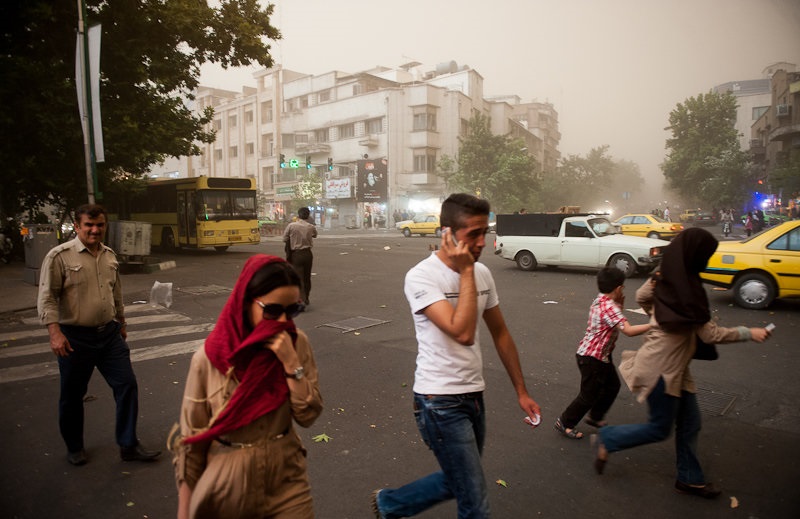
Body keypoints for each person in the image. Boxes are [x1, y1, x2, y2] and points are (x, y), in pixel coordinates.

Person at [371, 193, 541, 519]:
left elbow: (501, 333)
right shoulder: (421, 276)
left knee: (459, 480)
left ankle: (390, 504)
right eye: (473, 234)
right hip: (438, 401)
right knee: (475, 502)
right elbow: (462, 333)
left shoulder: (482, 273)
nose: (482, 243)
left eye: (485, 232)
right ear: (447, 233)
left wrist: (522, 391)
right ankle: (390, 504)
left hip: (474, 395)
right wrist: (465, 273)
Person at [592, 228, 771, 498]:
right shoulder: (686, 293)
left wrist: (660, 315)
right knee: (659, 428)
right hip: (661, 371)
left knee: (690, 423)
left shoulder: (666, 277)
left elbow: (642, 297)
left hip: (675, 368)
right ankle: (608, 439)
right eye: (706, 255)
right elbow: (710, 334)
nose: (707, 260)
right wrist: (750, 332)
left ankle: (689, 478)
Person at [171, 255, 323, 519]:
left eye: (292, 311)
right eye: (272, 311)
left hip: (287, 478)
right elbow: (191, 444)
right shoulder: (208, 359)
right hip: (227, 483)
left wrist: (291, 365)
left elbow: (308, 414)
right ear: (246, 302)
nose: (283, 321)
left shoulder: (297, 344)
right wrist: (184, 513)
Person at [37, 203, 161, 466]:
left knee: (126, 384)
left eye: (100, 225)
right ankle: (75, 447)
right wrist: (54, 333)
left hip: (109, 335)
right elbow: (47, 298)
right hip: (74, 338)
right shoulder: (59, 256)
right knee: (72, 395)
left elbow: (116, 292)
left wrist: (122, 322)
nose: (95, 230)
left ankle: (128, 444)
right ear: (77, 226)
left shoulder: (109, 255)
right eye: (89, 225)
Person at [554, 267, 651, 440]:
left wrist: (620, 304)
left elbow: (614, 319)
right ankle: (565, 422)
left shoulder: (601, 299)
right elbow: (628, 330)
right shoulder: (609, 307)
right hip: (592, 358)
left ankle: (595, 416)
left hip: (600, 355)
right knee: (588, 395)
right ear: (618, 288)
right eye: (623, 287)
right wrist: (654, 325)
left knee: (612, 386)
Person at [283, 206, 317, 305]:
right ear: (308, 216)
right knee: (307, 277)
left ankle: (301, 299)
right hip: (308, 254)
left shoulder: (291, 226)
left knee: (298, 277)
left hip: (296, 255)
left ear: (298, 215)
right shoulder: (311, 227)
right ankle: (306, 297)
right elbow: (315, 235)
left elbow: (284, 239)